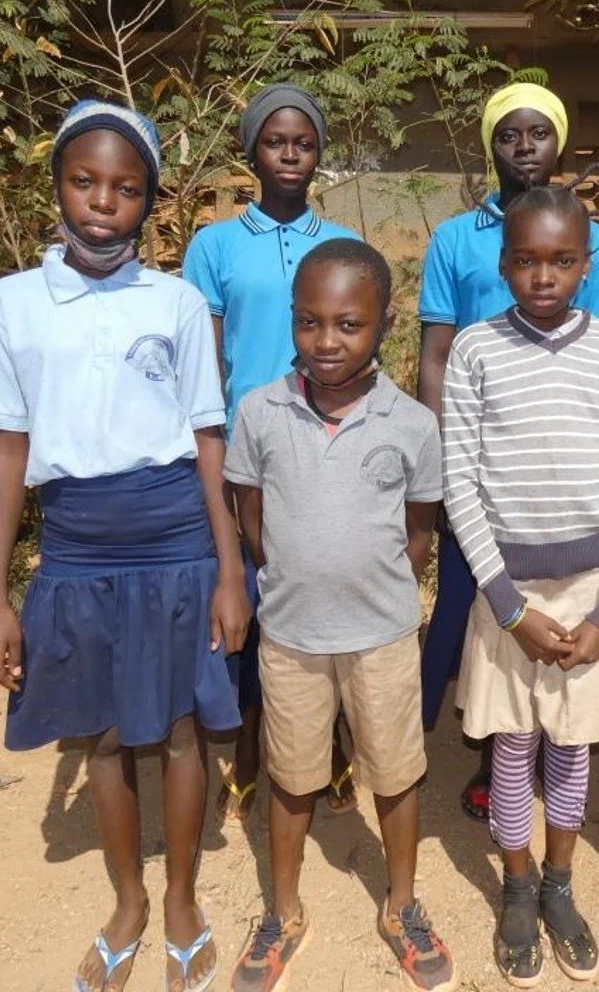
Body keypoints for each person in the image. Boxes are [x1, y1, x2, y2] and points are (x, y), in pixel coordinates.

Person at [0, 99, 251, 992]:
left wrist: (230, 568)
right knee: (98, 735)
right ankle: (127, 900)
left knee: (175, 732)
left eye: (126, 189)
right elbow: (8, 452)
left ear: (149, 203)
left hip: (176, 539)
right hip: (79, 551)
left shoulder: (175, 301)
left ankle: (180, 899)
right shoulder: (11, 304)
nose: (103, 202)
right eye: (85, 182)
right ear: (56, 184)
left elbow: (209, 437)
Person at [224, 239, 455, 992]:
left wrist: (374, 583)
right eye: (309, 322)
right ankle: (283, 913)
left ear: (384, 323)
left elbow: (419, 531)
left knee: (394, 776)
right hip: (290, 638)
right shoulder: (260, 412)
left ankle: (403, 906)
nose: (326, 341)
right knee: (292, 780)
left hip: (382, 639)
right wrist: (291, 575)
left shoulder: (413, 424)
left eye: (348, 325)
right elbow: (250, 513)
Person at [442, 187, 599, 986]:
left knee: (570, 748)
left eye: (562, 261)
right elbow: (460, 482)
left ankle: (560, 883)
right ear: (503, 265)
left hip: (587, 592)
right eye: (526, 260)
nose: (542, 276)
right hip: (509, 597)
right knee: (511, 746)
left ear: (586, 267)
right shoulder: (475, 351)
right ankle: (518, 883)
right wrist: (507, 606)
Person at [416, 82, 599, 822]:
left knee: (558, 604)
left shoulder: (589, 236)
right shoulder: (453, 240)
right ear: (490, 146)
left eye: (539, 132)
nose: (525, 146)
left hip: (556, 456)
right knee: (475, 607)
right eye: (510, 134)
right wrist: (443, 459)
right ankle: (488, 750)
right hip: (482, 453)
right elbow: (435, 355)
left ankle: (545, 752)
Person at [183, 82, 360, 825]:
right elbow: (203, 364)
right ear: (253, 149)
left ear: (319, 152)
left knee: (332, 592)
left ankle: (340, 743)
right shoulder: (215, 245)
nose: (291, 154)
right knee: (255, 599)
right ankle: (252, 743)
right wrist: (214, 456)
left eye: (305, 142)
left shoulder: (342, 246)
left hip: (329, 443)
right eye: (275, 141)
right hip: (248, 449)